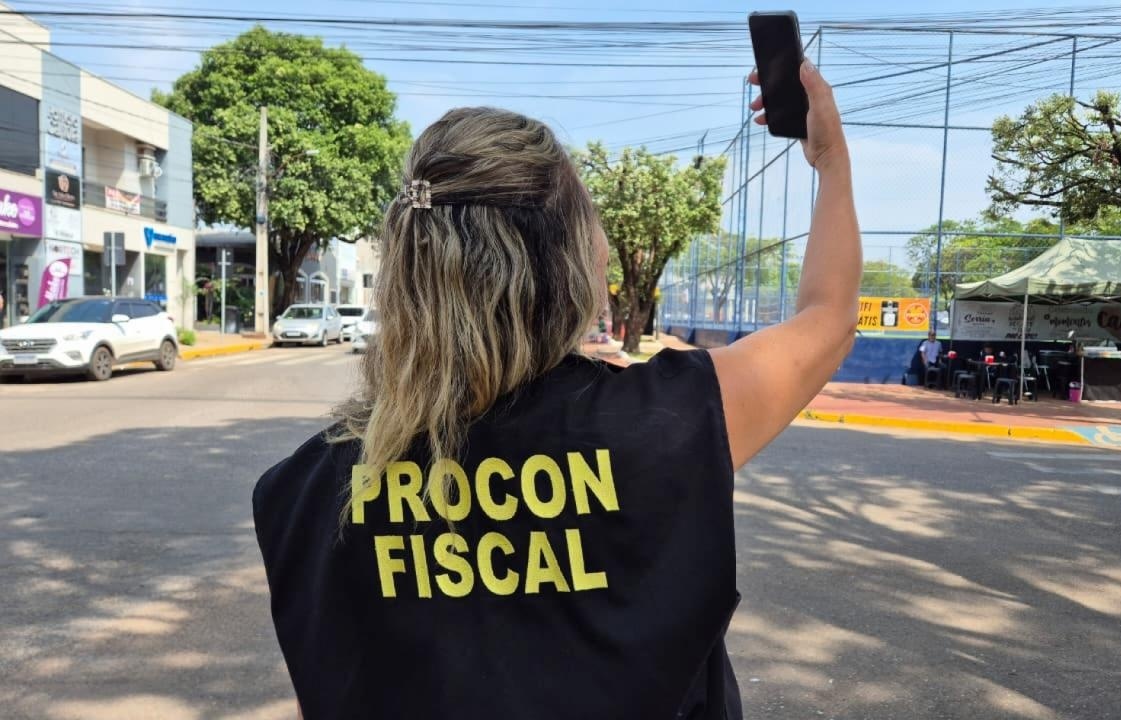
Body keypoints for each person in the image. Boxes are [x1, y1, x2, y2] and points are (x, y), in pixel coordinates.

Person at [253, 59, 860, 720]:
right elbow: (829, 318)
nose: (604, 247)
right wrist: (830, 162)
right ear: (561, 260)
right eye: (589, 220)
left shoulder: (299, 494)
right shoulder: (665, 424)